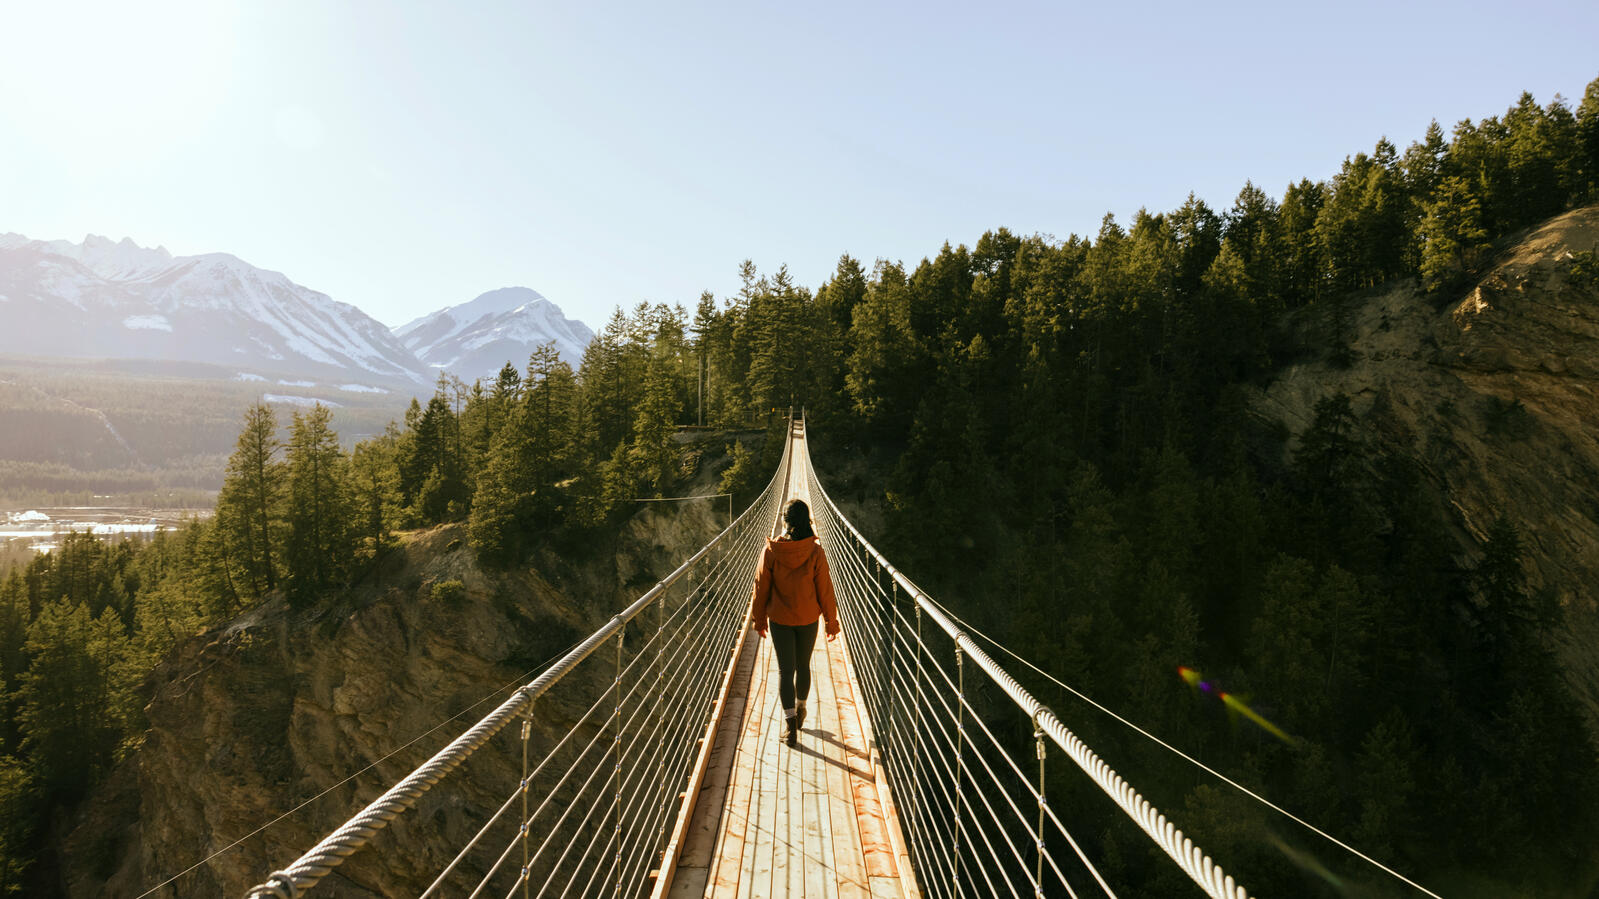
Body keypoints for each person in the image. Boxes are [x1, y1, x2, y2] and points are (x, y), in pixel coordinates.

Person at [750, 498, 840, 747]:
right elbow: (825, 590)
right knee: (803, 666)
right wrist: (831, 622)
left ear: (786, 522)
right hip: (808, 619)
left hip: (780, 619)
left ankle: (790, 728)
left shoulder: (772, 550)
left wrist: (759, 620)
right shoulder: (815, 551)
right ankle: (801, 710)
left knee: (785, 671)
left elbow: (761, 587)